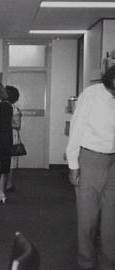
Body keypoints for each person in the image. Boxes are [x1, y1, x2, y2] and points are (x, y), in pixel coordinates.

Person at [66, 65, 115, 270]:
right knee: (88, 217)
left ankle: (108, 263)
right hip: (91, 158)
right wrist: (73, 165)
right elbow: (76, 128)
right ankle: (86, 261)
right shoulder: (91, 94)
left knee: (111, 218)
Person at [5, 85, 22, 192]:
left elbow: (17, 125)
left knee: (11, 161)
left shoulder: (14, 109)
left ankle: (9, 183)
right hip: (5, 135)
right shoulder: (2, 106)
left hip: (12, 136)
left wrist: (5, 121)